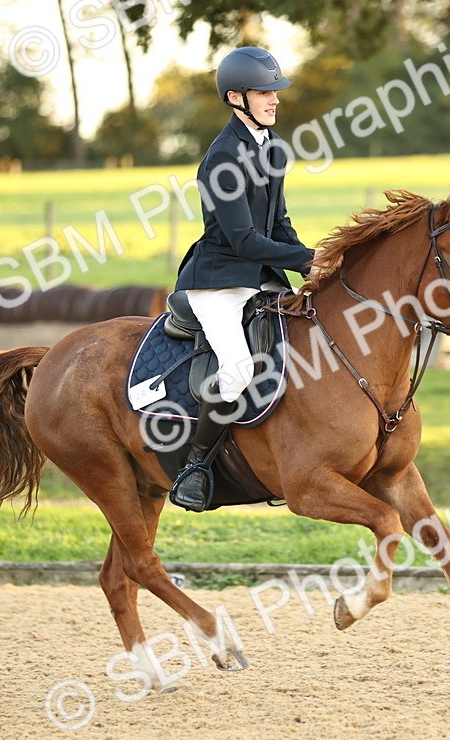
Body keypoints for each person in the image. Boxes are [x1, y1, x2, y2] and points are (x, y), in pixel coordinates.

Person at [168, 46, 315, 512]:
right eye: (264, 92)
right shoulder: (221, 159)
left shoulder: (273, 147)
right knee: (237, 371)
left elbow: (279, 224)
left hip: (263, 276)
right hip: (220, 280)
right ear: (235, 97)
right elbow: (244, 240)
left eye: (276, 92)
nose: (275, 100)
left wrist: (314, 259)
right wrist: (306, 258)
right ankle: (196, 466)